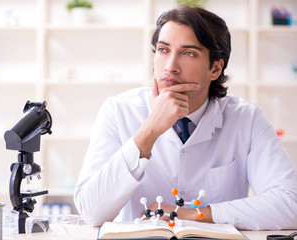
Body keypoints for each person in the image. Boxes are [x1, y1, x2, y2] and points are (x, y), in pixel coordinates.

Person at [74, 6, 297, 230]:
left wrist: (192, 215)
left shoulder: (247, 119)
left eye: (188, 53)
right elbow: (90, 213)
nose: (170, 67)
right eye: (163, 50)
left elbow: (290, 204)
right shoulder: (119, 110)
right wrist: (149, 131)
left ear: (216, 68)